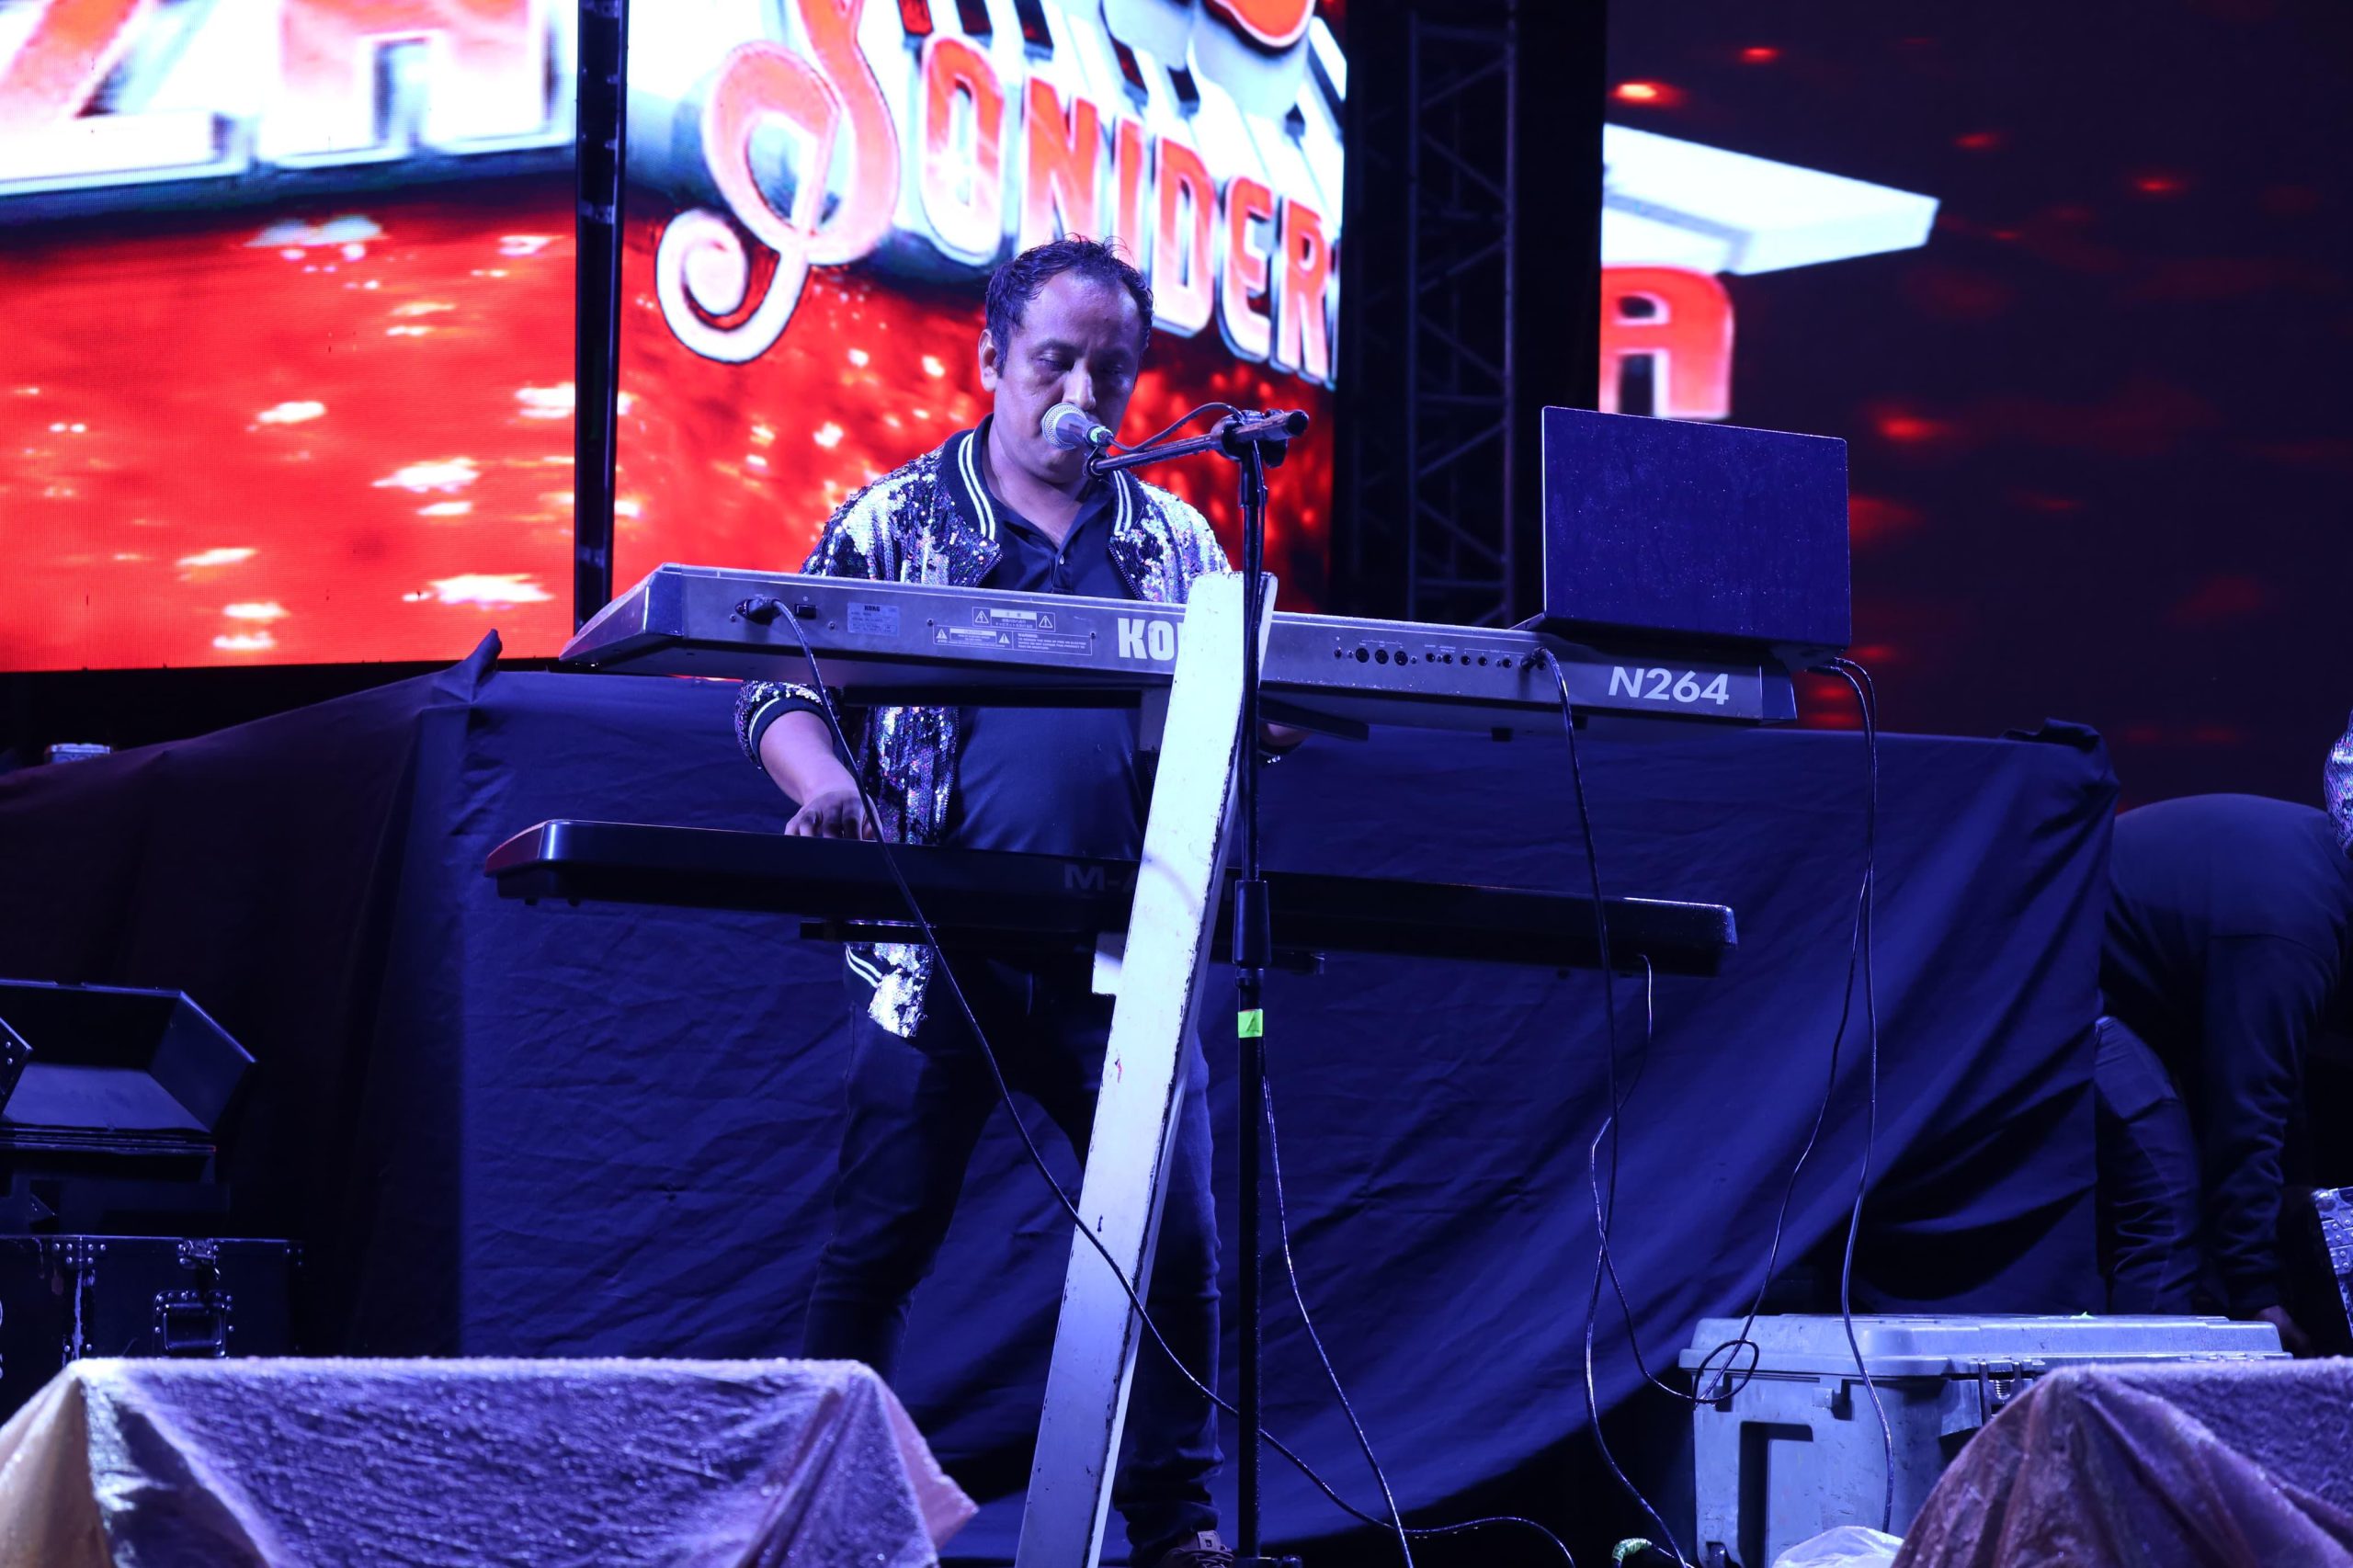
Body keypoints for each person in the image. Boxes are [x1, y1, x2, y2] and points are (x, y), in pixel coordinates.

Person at [733, 236, 1259, 1568]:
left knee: (1173, 1247)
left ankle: (1176, 1526)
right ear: (990, 360)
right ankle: (821, 1514)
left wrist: (1264, 720)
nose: (1081, 394)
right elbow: (778, 684)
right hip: (937, 956)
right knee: (879, 1243)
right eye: (1055, 362)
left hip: (1121, 956)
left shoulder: (1176, 540)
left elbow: (1244, 714)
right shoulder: (897, 519)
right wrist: (824, 783)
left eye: (1110, 371)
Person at [2096, 786, 2353, 1352]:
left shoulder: (2326, 882)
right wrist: (2255, 1292)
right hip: (2059, 984)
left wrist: (2291, 1196)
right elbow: (2248, 1109)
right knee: (2166, 1195)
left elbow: (2282, 1079)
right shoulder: (2293, 930)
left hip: (2132, 990)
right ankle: (2149, 1399)